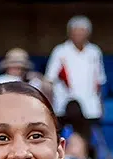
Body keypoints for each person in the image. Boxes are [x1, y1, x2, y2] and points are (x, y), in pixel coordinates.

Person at [44, 16, 105, 146]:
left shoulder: (94, 51)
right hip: (64, 105)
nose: (79, 34)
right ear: (70, 32)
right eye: (76, 30)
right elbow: (49, 79)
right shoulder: (60, 51)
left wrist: (100, 105)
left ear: (88, 33)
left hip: (89, 106)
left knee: (87, 142)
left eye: (82, 30)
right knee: (62, 141)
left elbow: (99, 80)